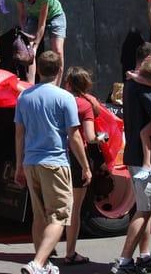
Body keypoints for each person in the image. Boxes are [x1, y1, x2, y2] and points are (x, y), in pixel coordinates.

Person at [14, 51, 92, 274]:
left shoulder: (24, 97)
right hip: (55, 162)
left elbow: (19, 134)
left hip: (31, 162)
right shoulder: (65, 97)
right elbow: (74, 136)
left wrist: (19, 165)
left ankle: (44, 264)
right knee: (58, 216)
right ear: (59, 70)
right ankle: (38, 263)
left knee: (39, 216)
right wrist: (85, 166)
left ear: (38, 69)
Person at [111, 42, 151, 274]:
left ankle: (144, 255)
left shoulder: (131, 83)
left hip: (138, 154)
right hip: (147, 159)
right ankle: (124, 261)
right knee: (143, 210)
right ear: (147, 61)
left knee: (147, 207)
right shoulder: (145, 88)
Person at [62, 66, 103, 266]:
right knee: (74, 209)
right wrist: (102, 137)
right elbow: (90, 137)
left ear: (68, 83)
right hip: (77, 158)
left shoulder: (59, 100)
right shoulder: (85, 105)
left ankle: (46, 245)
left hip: (56, 155)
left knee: (53, 206)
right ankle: (70, 252)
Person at [14, 0, 67, 86]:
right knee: (30, 50)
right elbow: (22, 16)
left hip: (55, 15)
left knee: (58, 51)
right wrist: (25, 35)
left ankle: (56, 87)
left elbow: (42, 24)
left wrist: (37, 44)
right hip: (33, 16)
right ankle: (30, 85)